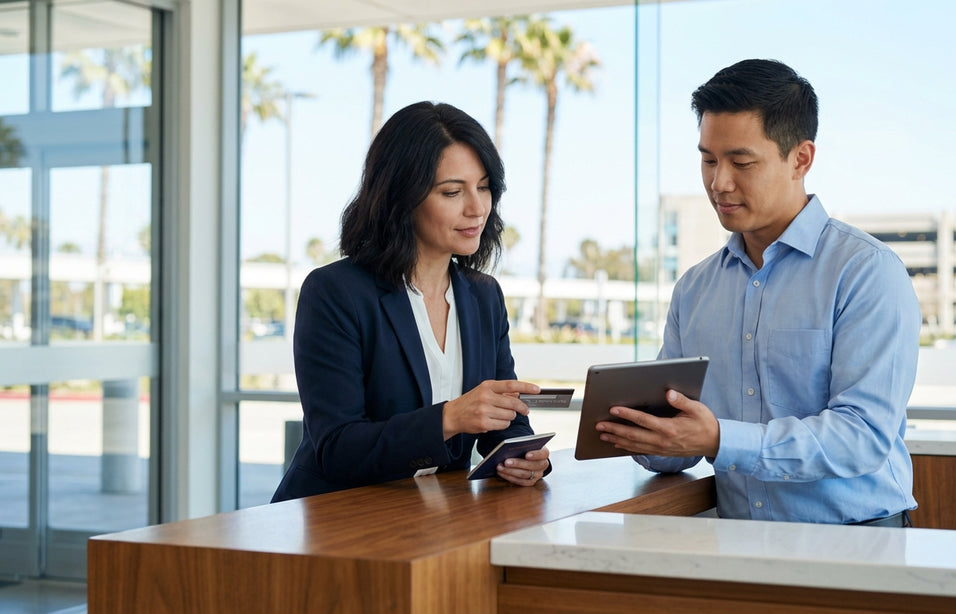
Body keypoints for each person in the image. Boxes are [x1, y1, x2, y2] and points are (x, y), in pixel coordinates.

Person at [595, 59, 921, 526]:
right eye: (708, 160)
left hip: (857, 540)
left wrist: (718, 440)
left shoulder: (866, 272)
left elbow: (862, 436)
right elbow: (679, 448)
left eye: (741, 162)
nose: (718, 182)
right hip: (738, 542)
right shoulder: (695, 288)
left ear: (801, 159)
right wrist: (643, 433)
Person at [272, 101, 550, 502]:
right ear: (402, 197)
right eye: (453, 191)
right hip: (336, 518)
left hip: (430, 516)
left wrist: (524, 455)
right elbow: (336, 447)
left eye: (485, 186)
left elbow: (500, 422)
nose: (477, 208)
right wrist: (448, 419)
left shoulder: (484, 296)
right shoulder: (335, 292)